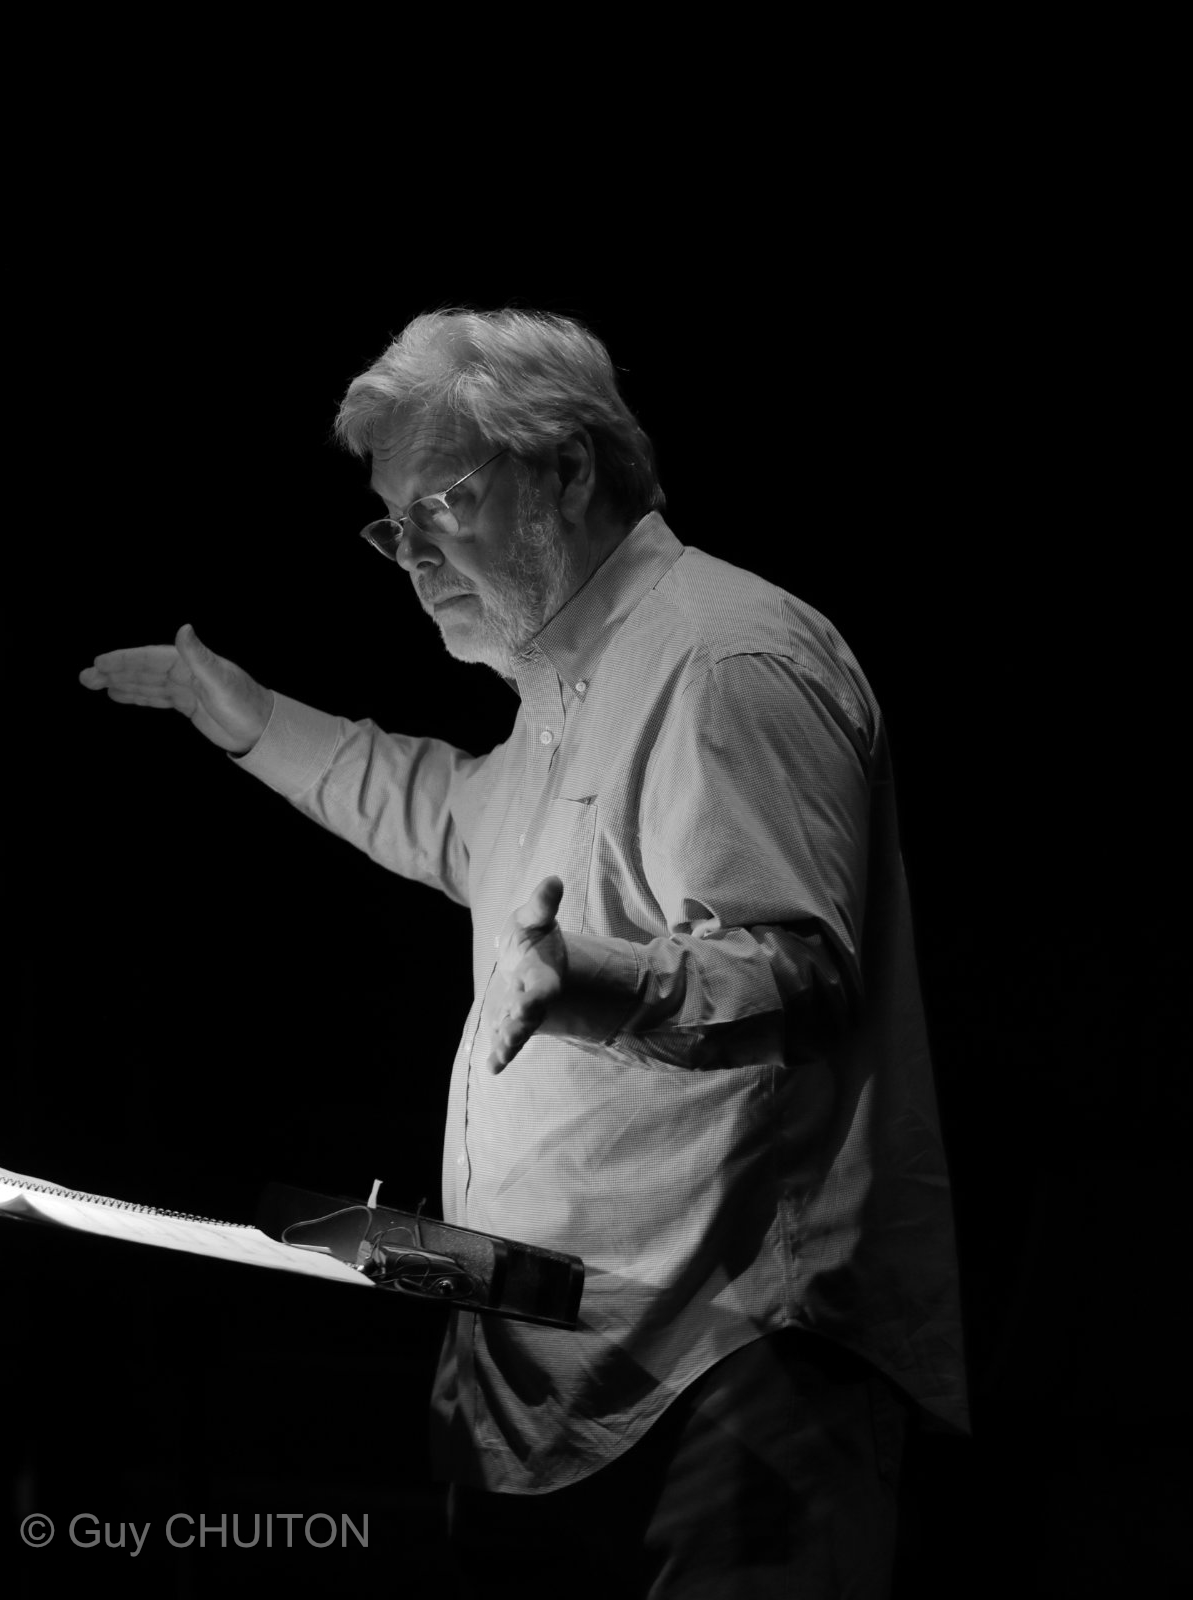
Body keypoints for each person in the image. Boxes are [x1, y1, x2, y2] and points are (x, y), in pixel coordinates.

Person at [80, 308, 969, 1597]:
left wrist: (597, 981)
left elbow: (799, 970)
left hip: (730, 1370)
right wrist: (253, 719)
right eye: (392, 525)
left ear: (566, 469)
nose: (411, 554)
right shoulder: (566, 686)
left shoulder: (722, 655)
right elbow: (446, 814)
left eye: (442, 501)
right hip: (564, 1376)